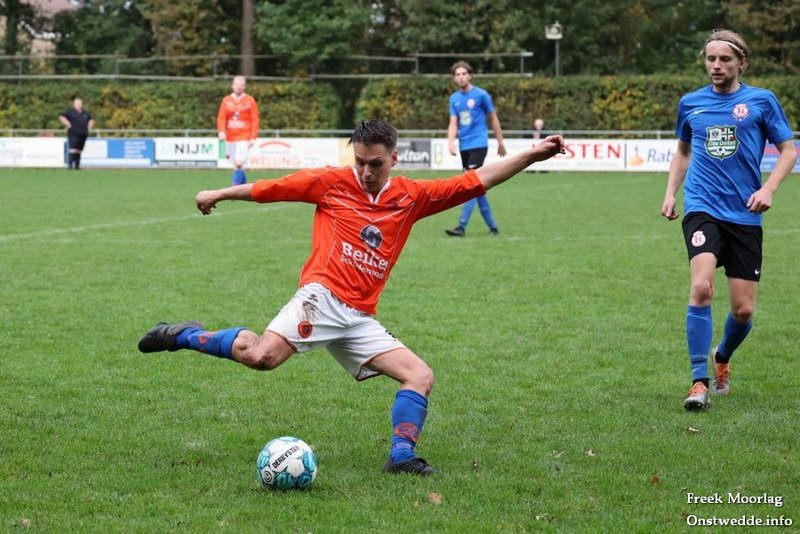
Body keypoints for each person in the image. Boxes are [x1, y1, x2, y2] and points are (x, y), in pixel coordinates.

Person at [139, 119, 565, 475]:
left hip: (358, 316)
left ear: (393, 159)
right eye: (359, 162)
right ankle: (182, 335)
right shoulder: (331, 183)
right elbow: (273, 188)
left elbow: (478, 180)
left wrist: (533, 154)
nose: (365, 171)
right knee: (261, 357)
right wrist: (219, 193)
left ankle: (401, 458)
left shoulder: (412, 197)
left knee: (420, 376)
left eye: (375, 163)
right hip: (321, 296)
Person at [660, 29, 796, 411]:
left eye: (724, 59)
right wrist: (670, 192)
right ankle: (698, 382)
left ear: (741, 63)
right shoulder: (691, 103)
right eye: (710, 59)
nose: (716, 65)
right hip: (702, 206)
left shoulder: (761, 101)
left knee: (743, 310)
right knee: (701, 287)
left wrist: (768, 188)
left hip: (745, 213)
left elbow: (788, 151)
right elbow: (683, 151)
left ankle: (722, 356)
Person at [444, 61, 507, 237]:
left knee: (470, 185)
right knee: (477, 187)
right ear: (454, 78)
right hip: (464, 146)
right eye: (457, 74)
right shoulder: (454, 99)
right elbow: (453, 122)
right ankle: (493, 227)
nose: (461, 77)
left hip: (479, 144)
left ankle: (461, 226)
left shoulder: (481, 95)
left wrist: (500, 142)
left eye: (464, 73)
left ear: (470, 75)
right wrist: (450, 141)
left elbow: (493, 118)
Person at [217, 75, 259, 185]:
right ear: (232, 85)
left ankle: (235, 187)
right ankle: (244, 188)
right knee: (236, 165)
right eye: (237, 84)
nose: (239, 87)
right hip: (230, 137)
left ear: (244, 87)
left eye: (241, 85)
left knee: (239, 162)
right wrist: (221, 131)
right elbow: (222, 117)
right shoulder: (226, 100)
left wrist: (253, 137)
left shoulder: (250, 100)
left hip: (244, 137)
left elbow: (254, 119)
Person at [58, 97, 94, 170]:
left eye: (80, 104)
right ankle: (70, 166)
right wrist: (68, 124)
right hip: (73, 133)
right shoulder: (70, 112)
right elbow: (61, 117)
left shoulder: (85, 113)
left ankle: (77, 166)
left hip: (83, 134)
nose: (79, 105)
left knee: (79, 150)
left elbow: (91, 119)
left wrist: (89, 128)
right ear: (74, 104)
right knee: (73, 149)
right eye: (77, 104)